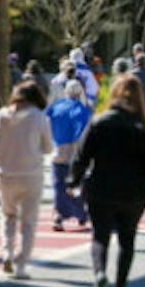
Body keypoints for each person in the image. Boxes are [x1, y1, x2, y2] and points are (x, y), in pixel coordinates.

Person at [69, 72, 145, 287]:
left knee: (100, 235)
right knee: (127, 239)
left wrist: (74, 181)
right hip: (133, 192)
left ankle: (99, 275)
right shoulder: (143, 128)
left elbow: (81, 156)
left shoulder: (99, 122)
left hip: (101, 187)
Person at [0, 80, 54, 278]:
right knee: (29, 221)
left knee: (8, 216)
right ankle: (21, 263)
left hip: (5, 173)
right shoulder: (39, 117)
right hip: (31, 174)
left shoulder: (2, 115)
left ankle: (7, 252)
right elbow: (48, 147)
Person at [48, 83, 91, 232]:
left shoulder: (56, 106)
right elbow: (83, 133)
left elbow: (45, 122)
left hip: (57, 150)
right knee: (77, 186)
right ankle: (80, 213)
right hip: (75, 153)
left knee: (58, 186)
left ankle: (59, 216)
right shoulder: (82, 110)